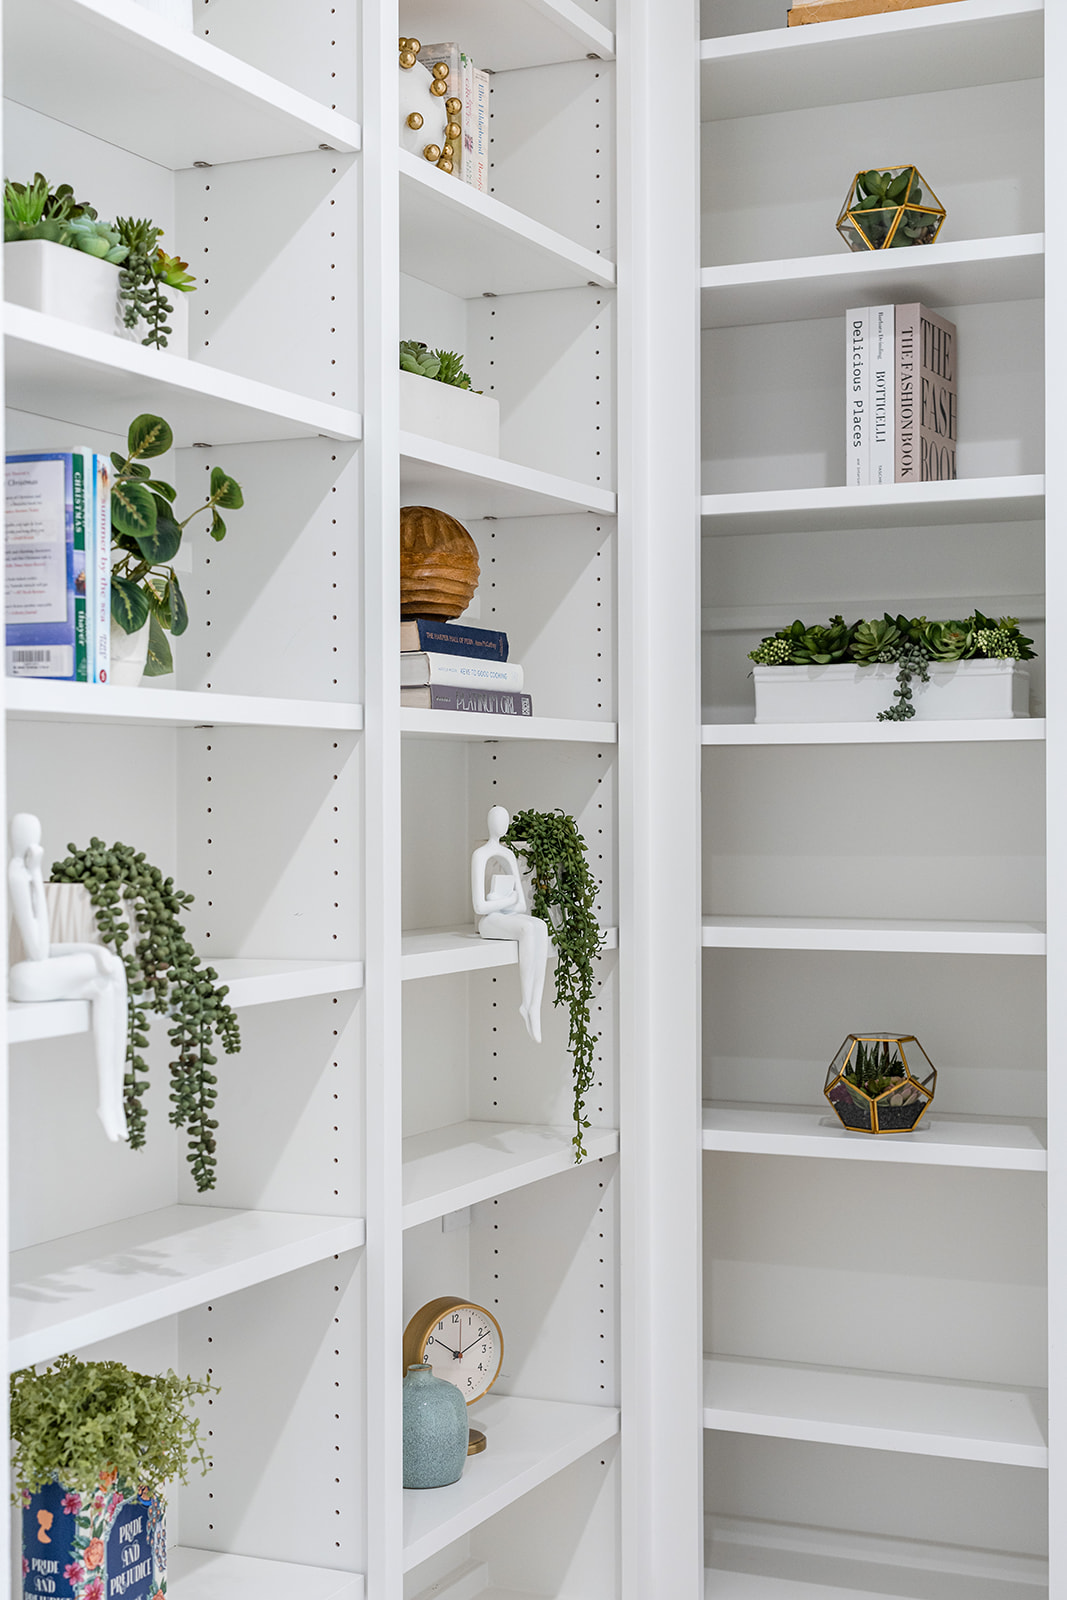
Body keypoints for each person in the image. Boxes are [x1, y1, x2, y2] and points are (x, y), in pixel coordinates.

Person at [9, 814, 129, 1142]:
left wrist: (93, 952)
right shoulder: (17, 876)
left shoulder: (27, 874)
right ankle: (110, 1101)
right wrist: (33, 877)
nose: (36, 844)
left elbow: (44, 946)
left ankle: (110, 1101)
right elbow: (35, 949)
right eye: (31, 837)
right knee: (114, 969)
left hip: (36, 968)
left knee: (107, 985)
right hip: (25, 978)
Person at [471, 805, 548, 1043]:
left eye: (505, 821)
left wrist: (503, 899)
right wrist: (503, 899)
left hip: (505, 914)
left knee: (540, 926)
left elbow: (521, 905)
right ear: (490, 823)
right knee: (526, 929)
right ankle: (525, 1001)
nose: (502, 826)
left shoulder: (508, 855)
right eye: (498, 820)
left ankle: (535, 1004)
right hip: (490, 921)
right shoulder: (480, 855)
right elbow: (480, 907)